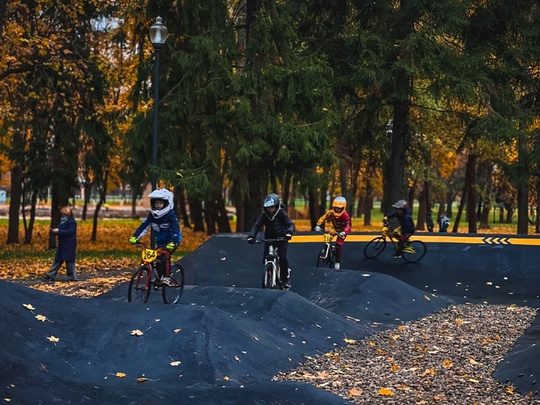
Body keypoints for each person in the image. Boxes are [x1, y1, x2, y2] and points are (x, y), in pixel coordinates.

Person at [129, 188, 181, 286]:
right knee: (155, 259)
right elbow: (144, 226)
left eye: (160, 203)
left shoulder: (171, 215)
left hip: (172, 241)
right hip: (160, 241)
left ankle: (166, 277)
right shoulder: (152, 215)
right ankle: (159, 276)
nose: (158, 205)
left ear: (166, 203)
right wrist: (135, 237)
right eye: (156, 203)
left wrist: (173, 242)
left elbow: (175, 229)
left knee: (164, 256)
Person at [247, 193, 295, 290]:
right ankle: (269, 271)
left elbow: (290, 224)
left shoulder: (281, 213)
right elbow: (257, 225)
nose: (270, 210)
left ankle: (285, 280)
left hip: (282, 238)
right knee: (265, 258)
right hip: (269, 239)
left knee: (282, 258)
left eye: (272, 207)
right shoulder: (264, 215)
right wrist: (251, 236)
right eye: (268, 208)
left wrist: (289, 233)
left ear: (276, 206)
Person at [314, 196, 352, 269]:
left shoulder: (345, 216)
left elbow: (348, 225)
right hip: (333, 228)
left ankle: (337, 261)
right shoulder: (331, 212)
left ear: (343, 208)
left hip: (341, 231)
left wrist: (344, 232)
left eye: (339, 208)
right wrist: (318, 225)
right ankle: (326, 250)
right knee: (327, 237)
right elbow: (324, 217)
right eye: (336, 208)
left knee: (338, 245)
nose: (337, 210)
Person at [44, 206, 78, 282]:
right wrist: (54, 231)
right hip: (62, 244)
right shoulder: (62, 221)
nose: (63, 216)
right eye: (62, 214)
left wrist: (58, 231)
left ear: (68, 215)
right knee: (58, 260)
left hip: (69, 245)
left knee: (69, 261)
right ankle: (51, 274)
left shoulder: (72, 222)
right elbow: (61, 231)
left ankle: (72, 277)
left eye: (65, 215)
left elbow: (69, 232)